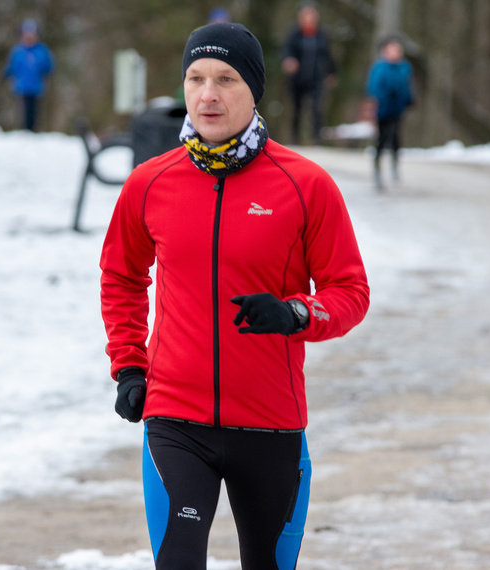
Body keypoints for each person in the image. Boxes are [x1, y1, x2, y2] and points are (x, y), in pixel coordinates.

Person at [99, 22, 369, 569]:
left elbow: (350, 290)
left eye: (226, 78)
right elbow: (122, 276)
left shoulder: (305, 185)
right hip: (176, 419)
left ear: (254, 90)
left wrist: (296, 313)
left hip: (271, 424)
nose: (208, 94)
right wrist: (129, 368)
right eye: (195, 78)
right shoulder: (150, 183)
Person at [281, 2, 337, 145]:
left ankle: (316, 138)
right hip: (297, 78)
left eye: (311, 14)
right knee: (296, 109)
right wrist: (289, 60)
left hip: (316, 77)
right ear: (300, 16)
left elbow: (329, 55)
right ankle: (295, 138)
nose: (308, 18)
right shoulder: (294, 33)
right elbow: (286, 49)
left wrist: (331, 73)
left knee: (317, 107)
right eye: (306, 14)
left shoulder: (322, 34)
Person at [366, 36, 414, 190]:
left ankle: (394, 166)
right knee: (382, 139)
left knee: (396, 138)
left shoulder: (405, 67)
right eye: (392, 49)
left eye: (398, 50)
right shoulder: (379, 67)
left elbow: (407, 86)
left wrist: (409, 99)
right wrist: (384, 96)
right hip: (383, 110)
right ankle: (377, 170)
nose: (395, 52)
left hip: (398, 109)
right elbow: (373, 88)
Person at [3, 19, 54, 131]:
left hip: (37, 86)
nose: (29, 38)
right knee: (24, 108)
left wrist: (46, 70)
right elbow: (12, 65)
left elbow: (48, 66)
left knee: (35, 109)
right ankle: (25, 129)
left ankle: (33, 128)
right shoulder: (18, 51)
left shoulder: (41, 50)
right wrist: (7, 74)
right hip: (22, 85)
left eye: (32, 35)